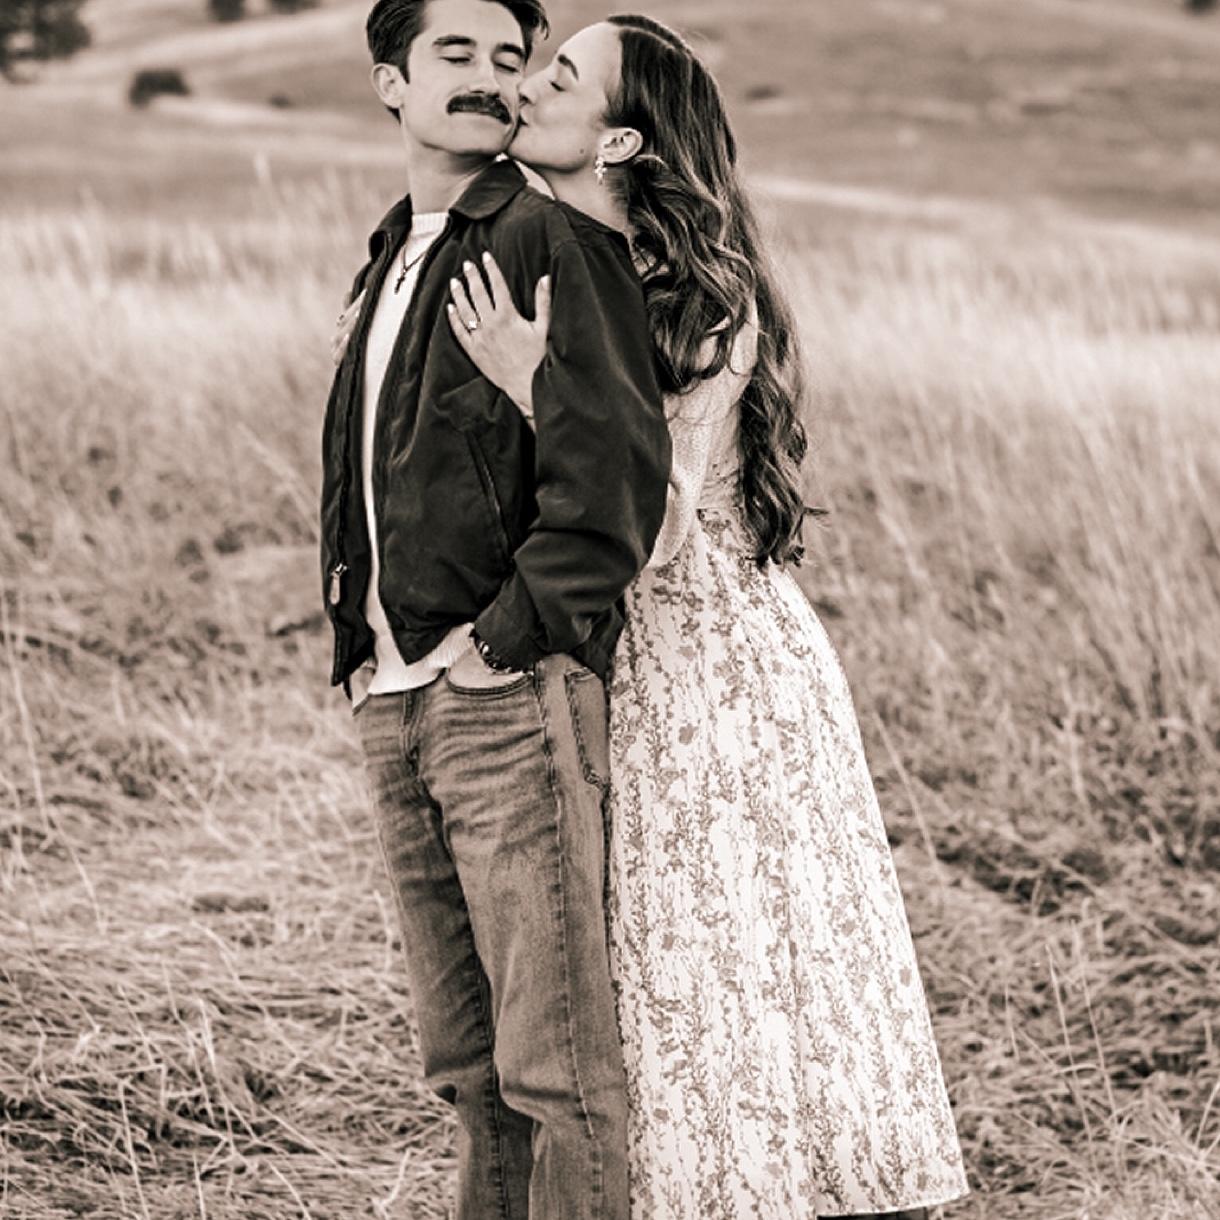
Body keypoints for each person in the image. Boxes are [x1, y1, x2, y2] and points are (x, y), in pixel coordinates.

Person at [442, 14, 971, 1218]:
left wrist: (533, 386)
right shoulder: (560, 254)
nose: (529, 85)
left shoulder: (700, 301)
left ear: (619, 139)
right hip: (626, 656)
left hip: (716, 668)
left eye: (560, 76)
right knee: (658, 967)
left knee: (722, 959)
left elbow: (658, 522)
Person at [319, 1, 672, 1217]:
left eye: (511, 58)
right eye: (455, 53)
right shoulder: (392, 251)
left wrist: (500, 644)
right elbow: (370, 468)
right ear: (391, 83)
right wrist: (356, 640)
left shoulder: (551, 238)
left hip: (506, 704)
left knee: (554, 1076)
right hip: (394, 695)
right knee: (468, 1076)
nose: (491, 76)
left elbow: (615, 485)